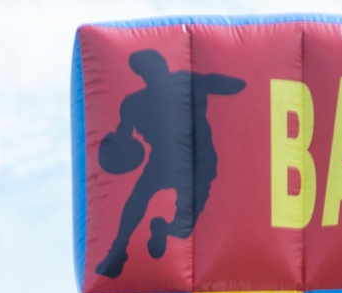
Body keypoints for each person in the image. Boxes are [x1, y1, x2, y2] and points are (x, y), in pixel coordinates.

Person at [94, 49, 246, 279]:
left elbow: (234, 85)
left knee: (182, 227)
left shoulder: (182, 84)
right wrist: (113, 144)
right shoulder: (140, 100)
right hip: (173, 162)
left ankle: (161, 229)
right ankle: (118, 250)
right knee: (138, 198)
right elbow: (234, 85)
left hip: (197, 162)